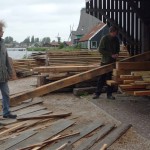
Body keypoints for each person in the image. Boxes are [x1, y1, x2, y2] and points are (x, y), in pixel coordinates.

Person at [93, 26, 120, 100]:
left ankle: (109, 94)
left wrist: (117, 54)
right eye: (114, 33)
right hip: (105, 61)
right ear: (111, 32)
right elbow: (100, 50)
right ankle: (97, 93)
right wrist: (110, 54)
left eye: (116, 33)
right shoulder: (104, 39)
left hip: (112, 62)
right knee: (101, 78)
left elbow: (118, 49)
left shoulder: (116, 39)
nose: (115, 34)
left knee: (110, 78)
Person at [0, 20, 17, 119]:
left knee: (6, 93)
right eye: (1, 30)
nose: (3, 32)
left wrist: (11, 73)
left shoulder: (2, 43)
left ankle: (6, 113)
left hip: (3, 75)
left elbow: (6, 58)